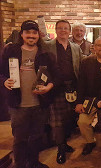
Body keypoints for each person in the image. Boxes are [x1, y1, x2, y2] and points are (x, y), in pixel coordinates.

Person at [0, 20, 57, 168]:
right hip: (18, 105)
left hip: (39, 104)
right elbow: (1, 73)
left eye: (34, 33)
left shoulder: (46, 53)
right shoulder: (10, 50)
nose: (31, 36)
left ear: (38, 35)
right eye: (28, 33)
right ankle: (19, 164)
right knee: (19, 139)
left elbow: (56, 77)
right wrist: (4, 81)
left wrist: (49, 87)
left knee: (37, 137)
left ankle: (33, 163)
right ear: (22, 34)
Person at [44, 20, 83, 164]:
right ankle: (60, 148)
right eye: (60, 28)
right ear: (55, 30)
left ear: (69, 31)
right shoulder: (47, 46)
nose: (63, 31)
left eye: (66, 28)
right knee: (57, 121)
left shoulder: (75, 47)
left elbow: (80, 67)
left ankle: (64, 143)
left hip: (72, 88)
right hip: (55, 88)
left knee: (70, 118)